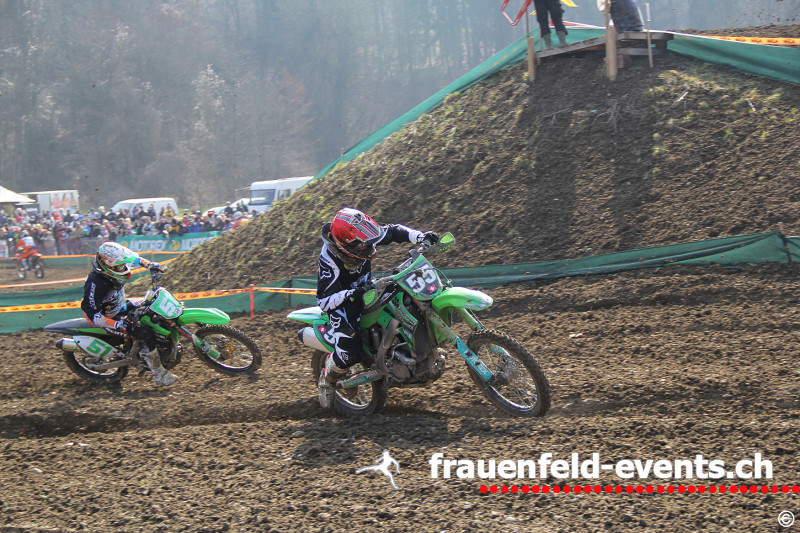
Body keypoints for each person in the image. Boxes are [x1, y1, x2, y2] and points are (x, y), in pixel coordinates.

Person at [315, 207, 438, 408]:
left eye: (368, 241)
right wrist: (352, 293)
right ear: (346, 244)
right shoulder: (329, 259)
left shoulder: (363, 235)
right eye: (362, 244)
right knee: (349, 353)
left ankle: (407, 351)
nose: (368, 246)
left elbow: (394, 231)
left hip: (367, 288)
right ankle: (327, 379)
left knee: (405, 297)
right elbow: (324, 300)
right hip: (343, 303)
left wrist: (420, 236)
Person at [80, 242, 177, 386]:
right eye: (119, 267)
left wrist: (149, 264)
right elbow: (92, 314)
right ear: (107, 266)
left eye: (123, 265)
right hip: (107, 317)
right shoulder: (95, 284)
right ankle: (158, 374)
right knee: (143, 332)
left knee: (152, 305)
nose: (123, 268)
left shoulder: (113, 261)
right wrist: (117, 323)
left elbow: (134, 258)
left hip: (120, 305)